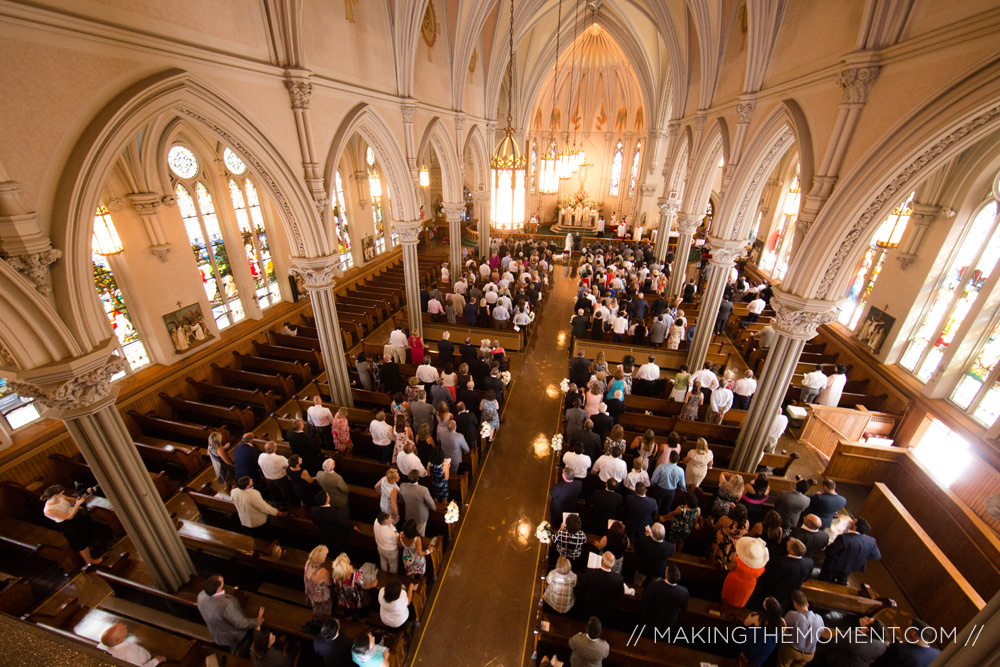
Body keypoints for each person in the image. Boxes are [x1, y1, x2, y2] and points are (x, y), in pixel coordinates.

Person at [197, 575, 262, 657]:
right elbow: (240, 623)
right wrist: (256, 621)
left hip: (216, 633)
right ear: (218, 588)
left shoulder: (201, 595)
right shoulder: (226, 604)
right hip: (232, 636)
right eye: (222, 581)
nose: (223, 579)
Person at [40, 484, 105, 565]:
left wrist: (81, 497)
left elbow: (72, 500)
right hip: (68, 525)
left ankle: (93, 554)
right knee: (81, 544)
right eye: (61, 493)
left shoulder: (60, 497)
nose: (62, 494)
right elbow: (69, 517)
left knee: (85, 537)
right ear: (55, 495)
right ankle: (89, 562)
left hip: (76, 519)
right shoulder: (48, 510)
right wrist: (77, 504)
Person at [820, 517, 881, 585]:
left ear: (855, 527)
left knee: (824, 582)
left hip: (834, 565)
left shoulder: (844, 538)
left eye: (853, 522)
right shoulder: (871, 541)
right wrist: (860, 556)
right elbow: (877, 556)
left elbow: (829, 551)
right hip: (851, 566)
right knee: (842, 583)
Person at [756, 538, 814, 610]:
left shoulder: (781, 563)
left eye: (788, 546)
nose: (786, 545)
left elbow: (769, 577)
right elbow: (807, 577)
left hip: (775, 593)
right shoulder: (809, 562)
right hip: (792, 593)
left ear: (792, 551)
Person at [575, 552, 633, 623]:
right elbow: (619, 594)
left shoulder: (589, 572)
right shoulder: (618, 579)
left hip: (588, 606)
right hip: (605, 609)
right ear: (613, 564)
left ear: (601, 561)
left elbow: (581, 586)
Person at [779, 590, 827, 667]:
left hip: (792, 650)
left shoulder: (792, 615)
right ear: (807, 604)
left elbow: (783, 629)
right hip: (809, 654)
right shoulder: (819, 618)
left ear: (795, 604)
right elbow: (820, 632)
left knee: (783, 665)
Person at [721, 536, 769, 610]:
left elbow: (729, 567)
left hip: (735, 582)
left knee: (728, 598)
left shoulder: (738, 561)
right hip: (748, 586)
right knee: (741, 600)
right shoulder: (761, 567)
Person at [818, 616, 887, 667]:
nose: (866, 617)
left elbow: (829, 643)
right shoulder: (881, 646)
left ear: (867, 629)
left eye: (868, 620)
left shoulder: (852, 638)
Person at [736, 597, 785, 666]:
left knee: (743, 658)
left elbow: (745, 623)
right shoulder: (782, 622)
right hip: (766, 649)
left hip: (751, 644)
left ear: (766, 608)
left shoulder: (757, 617)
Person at [871, 620, 940, 667]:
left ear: (913, 632)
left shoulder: (900, 649)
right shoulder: (939, 654)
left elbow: (878, 662)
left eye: (908, 627)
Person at [331, 552, 377, 618]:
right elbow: (364, 586)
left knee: (348, 613)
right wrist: (373, 584)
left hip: (345, 599)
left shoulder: (335, 575)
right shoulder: (356, 574)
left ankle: (350, 622)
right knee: (362, 615)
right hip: (356, 600)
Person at [98, 623, 165, 666]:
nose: (126, 626)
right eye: (123, 629)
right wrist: (156, 661)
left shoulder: (101, 646)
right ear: (117, 640)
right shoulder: (128, 653)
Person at [633, 522, 674, 587]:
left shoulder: (644, 541)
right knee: (655, 586)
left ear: (652, 533)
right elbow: (671, 554)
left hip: (643, 568)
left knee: (637, 584)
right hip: (658, 571)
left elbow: (636, 545)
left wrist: (646, 537)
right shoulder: (669, 547)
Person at [711, 504, 750, 569]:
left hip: (721, 546)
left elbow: (715, 527)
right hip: (734, 550)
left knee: (715, 564)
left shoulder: (725, 519)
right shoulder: (746, 523)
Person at [398, 470, 436, 536]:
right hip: (420, 516)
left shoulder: (402, 486)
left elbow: (401, 500)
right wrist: (434, 508)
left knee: (410, 533)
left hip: (409, 514)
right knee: (420, 534)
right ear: (418, 478)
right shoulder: (423, 490)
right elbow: (430, 503)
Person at [258, 440, 292, 508]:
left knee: (274, 493)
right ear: (274, 449)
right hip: (280, 479)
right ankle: (289, 506)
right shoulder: (279, 458)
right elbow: (288, 465)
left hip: (268, 478)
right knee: (285, 492)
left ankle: (277, 504)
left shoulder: (261, 456)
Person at [304, 544, 333, 619]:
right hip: (321, 598)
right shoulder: (323, 572)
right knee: (324, 614)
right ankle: (323, 620)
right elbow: (330, 583)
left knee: (316, 611)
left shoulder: (308, 562)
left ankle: (316, 617)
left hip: (311, 593)